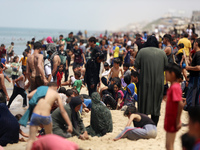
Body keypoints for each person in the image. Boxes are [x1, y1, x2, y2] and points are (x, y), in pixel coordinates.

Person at [25, 83, 73, 150]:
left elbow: (29, 95)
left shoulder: (41, 89)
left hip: (35, 114)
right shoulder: (55, 94)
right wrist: (69, 124)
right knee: (49, 137)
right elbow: (62, 111)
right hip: (45, 115)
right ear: (54, 87)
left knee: (31, 139)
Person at [134, 35, 168, 126]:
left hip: (144, 82)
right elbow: (166, 67)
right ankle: (154, 126)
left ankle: (143, 125)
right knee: (156, 104)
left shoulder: (142, 52)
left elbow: (136, 65)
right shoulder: (162, 53)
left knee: (143, 104)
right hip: (158, 82)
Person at [164, 63, 184, 150]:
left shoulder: (175, 87)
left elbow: (180, 104)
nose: (165, 75)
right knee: (168, 145)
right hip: (170, 119)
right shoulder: (172, 86)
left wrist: (177, 121)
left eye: (166, 73)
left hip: (173, 120)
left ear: (172, 74)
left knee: (169, 146)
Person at [184, 38, 200, 110]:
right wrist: (190, 60)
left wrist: (189, 68)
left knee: (192, 98)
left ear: (196, 43)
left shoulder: (198, 54)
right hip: (195, 78)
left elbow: (199, 67)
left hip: (196, 79)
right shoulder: (196, 54)